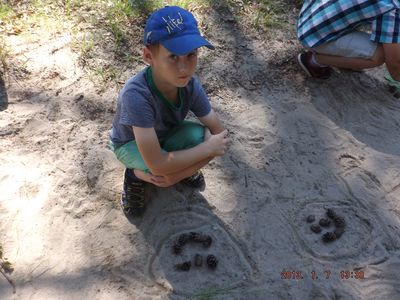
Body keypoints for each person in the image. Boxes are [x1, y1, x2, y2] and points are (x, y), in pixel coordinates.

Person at [108, 6, 229, 218]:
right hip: (130, 144)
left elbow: (220, 137)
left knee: (202, 137)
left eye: (191, 55)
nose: (184, 68)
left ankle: (177, 168)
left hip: (165, 137)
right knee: (157, 167)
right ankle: (135, 176)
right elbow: (158, 163)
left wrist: (177, 174)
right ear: (148, 56)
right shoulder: (136, 94)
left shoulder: (190, 85)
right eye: (173, 56)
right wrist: (206, 151)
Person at [296, 0, 400, 95]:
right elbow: (394, 63)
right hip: (314, 36)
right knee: (380, 55)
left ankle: (344, 59)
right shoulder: (392, 9)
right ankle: (314, 61)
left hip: (308, 15)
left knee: (388, 39)